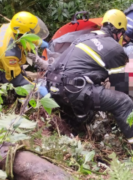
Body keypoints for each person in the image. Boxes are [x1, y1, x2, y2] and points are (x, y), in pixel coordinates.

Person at [46, 9, 133, 144]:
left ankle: (78, 124)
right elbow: (121, 87)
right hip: (74, 90)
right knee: (124, 102)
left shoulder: (85, 36)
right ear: (120, 32)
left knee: (89, 106)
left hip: (52, 85)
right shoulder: (115, 48)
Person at [0, 11, 49, 92]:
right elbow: (15, 79)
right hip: (3, 70)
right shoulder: (10, 55)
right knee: (19, 89)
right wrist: (35, 89)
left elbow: (30, 34)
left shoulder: (15, 26)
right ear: (23, 36)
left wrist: (40, 42)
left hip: (10, 61)